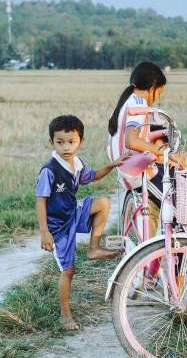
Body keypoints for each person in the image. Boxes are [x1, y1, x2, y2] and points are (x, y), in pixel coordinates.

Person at [36, 115, 128, 330]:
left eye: (71, 142)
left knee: (103, 202)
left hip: (72, 211)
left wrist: (113, 165)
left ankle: (93, 248)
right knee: (68, 270)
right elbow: (41, 201)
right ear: (52, 143)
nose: (66, 147)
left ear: (81, 142)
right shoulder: (49, 170)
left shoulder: (76, 163)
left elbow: (93, 177)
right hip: (57, 225)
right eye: (60, 142)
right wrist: (45, 232)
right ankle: (65, 314)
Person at [107, 62, 186, 232]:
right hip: (137, 171)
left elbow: (135, 138)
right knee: (182, 210)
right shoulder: (139, 104)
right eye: (159, 92)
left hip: (125, 166)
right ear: (153, 87)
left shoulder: (125, 102)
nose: (157, 96)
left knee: (173, 181)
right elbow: (131, 141)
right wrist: (167, 153)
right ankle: (178, 251)